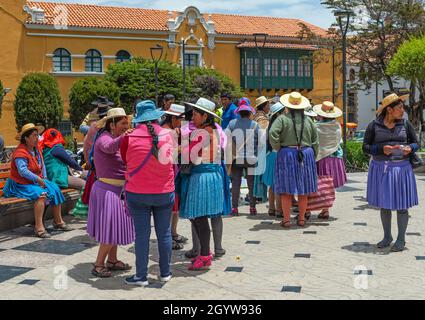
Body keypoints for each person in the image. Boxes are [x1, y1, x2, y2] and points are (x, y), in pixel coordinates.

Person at [121, 100, 176, 286]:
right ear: (156, 116)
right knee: (165, 234)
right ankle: (165, 273)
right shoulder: (168, 135)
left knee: (142, 236)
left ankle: (141, 276)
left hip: (137, 193)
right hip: (164, 192)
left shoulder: (129, 138)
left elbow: (124, 161)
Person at [177, 97, 231, 270]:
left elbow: (189, 154)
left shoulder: (203, 133)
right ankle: (204, 254)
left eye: (195, 114)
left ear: (205, 116)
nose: (192, 117)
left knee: (200, 218)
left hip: (202, 176)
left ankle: (205, 255)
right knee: (200, 218)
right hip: (211, 175)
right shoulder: (212, 131)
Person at [363, 93, 419, 252]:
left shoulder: (406, 125)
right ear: (389, 109)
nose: (403, 111)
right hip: (381, 168)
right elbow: (365, 147)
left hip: (402, 169)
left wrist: (410, 148)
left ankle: (401, 239)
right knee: (384, 205)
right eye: (400, 108)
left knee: (402, 206)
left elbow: (417, 143)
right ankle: (387, 236)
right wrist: (382, 149)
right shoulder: (373, 126)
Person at [87, 108, 134, 278]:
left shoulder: (115, 137)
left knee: (114, 228)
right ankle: (98, 264)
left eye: (127, 124)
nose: (125, 126)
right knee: (109, 230)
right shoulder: (104, 138)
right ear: (112, 124)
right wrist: (125, 136)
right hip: (107, 191)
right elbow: (109, 147)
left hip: (117, 191)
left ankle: (112, 260)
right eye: (123, 124)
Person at [3, 123, 70, 238]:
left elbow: (42, 165)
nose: (37, 138)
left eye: (37, 135)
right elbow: (22, 171)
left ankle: (57, 221)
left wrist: (44, 179)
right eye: (34, 135)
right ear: (26, 138)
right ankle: (39, 228)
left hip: (34, 181)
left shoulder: (37, 149)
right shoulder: (20, 152)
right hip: (20, 184)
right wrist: (38, 179)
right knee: (41, 194)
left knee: (54, 188)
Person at [269, 92, 319, 228]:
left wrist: (278, 147)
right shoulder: (309, 120)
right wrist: (313, 155)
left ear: (288, 106)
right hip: (306, 153)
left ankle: (286, 220)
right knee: (304, 188)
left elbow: (272, 133)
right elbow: (315, 140)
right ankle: (302, 219)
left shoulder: (282, 119)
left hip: (287, 153)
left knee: (286, 188)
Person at [161, 103, 189, 251]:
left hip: (174, 171)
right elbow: (168, 154)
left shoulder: (173, 130)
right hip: (168, 173)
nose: (181, 123)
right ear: (173, 118)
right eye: (180, 119)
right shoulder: (165, 132)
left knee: (175, 206)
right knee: (169, 207)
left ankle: (173, 233)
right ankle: (168, 237)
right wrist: (181, 147)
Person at [312, 101, 347, 219]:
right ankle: (325, 210)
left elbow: (315, 143)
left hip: (321, 157)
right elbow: (339, 141)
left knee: (317, 184)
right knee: (328, 185)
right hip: (335, 157)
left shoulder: (316, 126)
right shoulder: (337, 126)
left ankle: (308, 209)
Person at [226, 99, 259, 216]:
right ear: (249, 112)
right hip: (251, 158)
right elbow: (261, 142)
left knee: (235, 183)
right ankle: (252, 208)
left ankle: (234, 208)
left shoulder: (232, 124)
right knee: (251, 183)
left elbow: (226, 139)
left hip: (236, 158)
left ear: (239, 112)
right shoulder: (255, 125)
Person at [262, 102, 285, 217]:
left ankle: (271, 208)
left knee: (272, 184)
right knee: (279, 184)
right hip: (278, 156)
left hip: (270, 156)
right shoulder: (281, 125)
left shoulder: (270, 125)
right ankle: (279, 210)